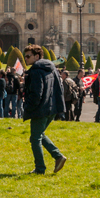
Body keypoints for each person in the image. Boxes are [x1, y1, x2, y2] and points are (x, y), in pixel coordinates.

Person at [22, 44, 67, 175]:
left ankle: (40, 168)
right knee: (39, 135)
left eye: (28, 56)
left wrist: (28, 107)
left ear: (37, 56)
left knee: (35, 138)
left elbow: (37, 93)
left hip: (40, 109)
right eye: (25, 56)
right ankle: (58, 157)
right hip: (52, 108)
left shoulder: (36, 70)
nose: (26, 58)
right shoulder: (51, 68)